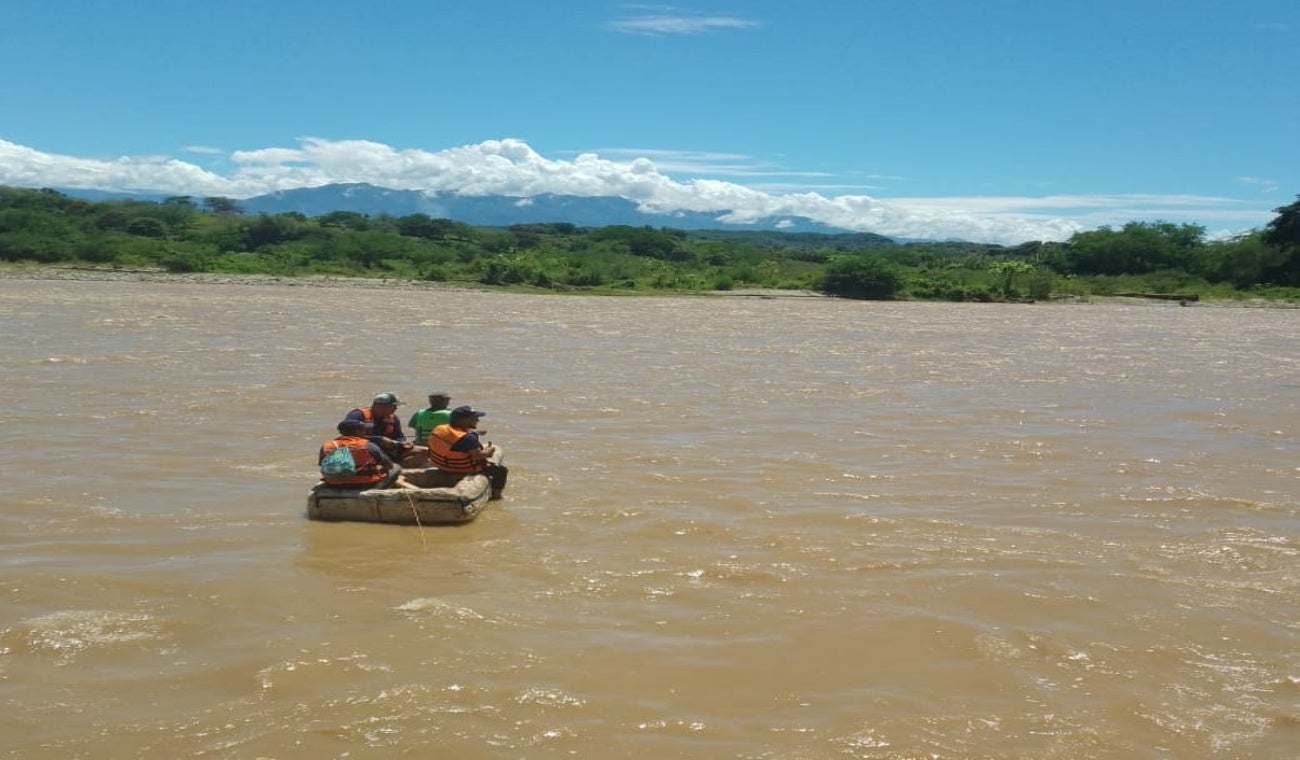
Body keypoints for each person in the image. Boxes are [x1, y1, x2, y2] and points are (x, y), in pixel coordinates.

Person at [427, 405, 508, 500]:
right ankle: (496, 496)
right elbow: (477, 456)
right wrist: (489, 451)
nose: (478, 420)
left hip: (441, 465)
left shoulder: (440, 428)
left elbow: (456, 438)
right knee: (501, 470)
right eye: (475, 418)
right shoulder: (468, 438)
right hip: (462, 469)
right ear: (464, 420)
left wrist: (476, 432)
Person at [345, 392, 429, 467]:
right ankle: (388, 465)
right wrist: (379, 439)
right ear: (381, 407)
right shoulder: (357, 415)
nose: (396, 408)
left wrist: (403, 442)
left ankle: (396, 465)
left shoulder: (393, 417)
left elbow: (398, 435)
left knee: (426, 451)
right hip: (366, 449)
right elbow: (348, 435)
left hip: (390, 448)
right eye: (393, 406)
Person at [318, 419, 403, 489]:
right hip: (364, 484)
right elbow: (389, 465)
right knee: (396, 467)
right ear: (357, 431)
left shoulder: (326, 445)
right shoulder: (368, 445)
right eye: (364, 429)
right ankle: (376, 490)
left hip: (333, 485)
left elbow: (322, 465)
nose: (366, 432)